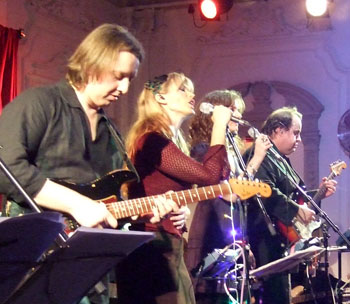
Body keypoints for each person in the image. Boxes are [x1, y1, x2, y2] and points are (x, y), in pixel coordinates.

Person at [0, 24, 179, 304]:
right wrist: (75, 204)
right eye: (119, 77)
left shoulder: (111, 132)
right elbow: (6, 166)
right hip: (38, 259)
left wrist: (147, 211)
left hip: (90, 270)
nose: (125, 88)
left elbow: (107, 205)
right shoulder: (40, 103)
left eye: (130, 79)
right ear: (91, 63)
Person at [114, 73, 233, 304]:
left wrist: (183, 209)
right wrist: (219, 125)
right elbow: (210, 176)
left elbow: (218, 176)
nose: (192, 95)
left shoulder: (170, 141)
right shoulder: (152, 141)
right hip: (152, 248)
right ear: (160, 97)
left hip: (165, 242)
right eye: (182, 90)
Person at [242, 106, 337, 304]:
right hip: (263, 239)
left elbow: (291, 195)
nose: (299, 139)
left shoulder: (279, 159)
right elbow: (263, 190)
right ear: (278, 130)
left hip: (278, 241)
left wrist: (316, 195)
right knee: (274, 296)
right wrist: (296, 209)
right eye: (296, 133)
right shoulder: (262, 156)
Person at [185, 89, 271, 304]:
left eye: (238, 111)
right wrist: (256, 159)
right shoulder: (203, 149)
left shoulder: (234, 153)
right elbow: (229, 194)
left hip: (231, 237)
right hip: (211, 235)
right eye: (232, 110)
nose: (238, 116)